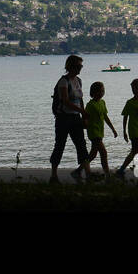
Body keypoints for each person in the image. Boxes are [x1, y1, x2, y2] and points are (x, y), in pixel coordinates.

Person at [49, 55, 88, 183]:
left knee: (81, 145)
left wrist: (83, 116)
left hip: (75, 117)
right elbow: (65, 101)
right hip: (63, 118)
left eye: (81, 66)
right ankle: (53, 175)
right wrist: (82, 111)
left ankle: (87, 172)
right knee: (60, 145)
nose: (80, 68)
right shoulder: (63, 82)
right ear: (72, 66)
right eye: (79, 66)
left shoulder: (79, 81)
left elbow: (80, 99)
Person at [116, 78, 138, 179]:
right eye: (133, 88)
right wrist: (124, 132)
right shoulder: (129, 102)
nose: (134, 90)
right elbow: (125, 117)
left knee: (134, 151)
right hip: (133, 130)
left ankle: (121, 170)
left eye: (136, 88)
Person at [80, 81, 117, 177]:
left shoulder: (102, 103)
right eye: (100, 91)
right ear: (94, 92)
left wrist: (113, 129)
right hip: (93, 132)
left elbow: (105, 117)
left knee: (93, 154)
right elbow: (85, 118)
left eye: (103, 91)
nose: (101, 93)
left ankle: (78, 170)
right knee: (103, 152)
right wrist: (85, 124)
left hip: (100, 132)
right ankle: (107, 174)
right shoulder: (90, 105)